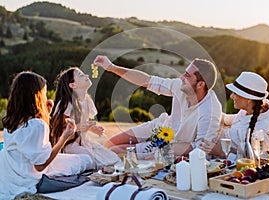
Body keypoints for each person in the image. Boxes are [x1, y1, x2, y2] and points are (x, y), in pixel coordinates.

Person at [93, 55, 222, 157]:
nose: (181, 77)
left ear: (200, 85)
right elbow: (147, 80)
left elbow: (199, 148)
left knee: (116, 150)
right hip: (160, 127)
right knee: (110, 143)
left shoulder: (210, 110)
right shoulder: (180, 86)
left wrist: (162, 153)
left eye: (187, 75)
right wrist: (111, 67)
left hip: (170, 146)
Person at [0, 71, 93, 200]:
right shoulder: (36, 125)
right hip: (29, 178)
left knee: (77, 161)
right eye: (43, 93)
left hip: (12, 176)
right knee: (85, 160)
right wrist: (64, 137)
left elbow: (31, 145)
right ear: (36, 96)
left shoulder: (11, 121)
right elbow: (40, 166)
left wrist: (46, 115)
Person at [50, 67, 121, 169]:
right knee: (95, 162)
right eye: (81, 75)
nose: (87, 76)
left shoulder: (87, 100)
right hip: (68, 145)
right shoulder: (67, 103)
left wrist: (91, 128)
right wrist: (79, 127)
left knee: (113, 159)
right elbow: (58, 128)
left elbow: (83, 123)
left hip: (84, 141)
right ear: (73, 85)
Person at [200, 72, 269, 159]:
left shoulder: (261, 131)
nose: (231, 96)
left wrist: (220, 152)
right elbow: (229, 119)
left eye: (235, 93)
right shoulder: (251, 109)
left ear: (248, 99)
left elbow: (255, 161)